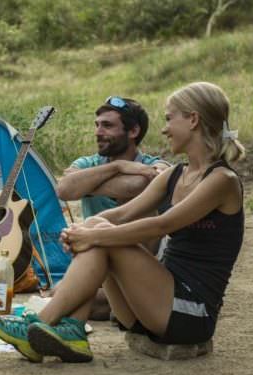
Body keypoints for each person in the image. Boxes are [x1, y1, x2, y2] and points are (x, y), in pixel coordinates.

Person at [0, 81, 245, 363]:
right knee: (98, 227)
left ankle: (43, 322)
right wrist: (80, 231)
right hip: (149, 308)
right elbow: (120, 214)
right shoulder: (175, 174)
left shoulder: (222, 180)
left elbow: (162, 225)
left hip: (189, 313)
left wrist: (93, 235)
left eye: (169, 118)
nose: (164, 129)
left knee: (101, 234)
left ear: (193, 119)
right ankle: (73, 331)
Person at [56, 97, 170, 321]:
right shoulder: (88, 162)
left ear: (133, 130)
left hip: (139, 265)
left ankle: (118, 303)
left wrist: (89, 186)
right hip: (97, 261)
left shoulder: (157, 164)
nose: (98, 132)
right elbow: (64, 189)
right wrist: (118, 167)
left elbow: (141, 184)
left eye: (107, 126)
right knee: (62, 293)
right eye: (97, 125)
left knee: (66, 298)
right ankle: (118, 304)